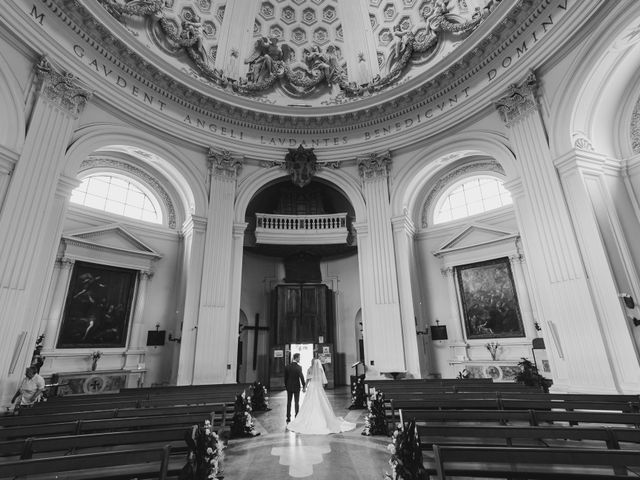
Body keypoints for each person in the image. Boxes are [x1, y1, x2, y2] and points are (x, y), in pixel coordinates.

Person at [286, 357, 356, 435]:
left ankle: (308, 418)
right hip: (318, 388)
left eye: (311, 361)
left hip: (312, 387)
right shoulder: (320, 370)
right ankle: (323, 419)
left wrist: (305, 387)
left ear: (313, 363)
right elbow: (323, 381)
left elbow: (308, 379)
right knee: (321, 402)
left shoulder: (310, 369)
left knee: (310, 402)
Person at [284, 353, 306, 423]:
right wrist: (304, 386)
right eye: (299, 358)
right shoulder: (299, 367)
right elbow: (301, 377)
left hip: (289, 387)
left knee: (289, 402)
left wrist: (286, 386)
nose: (299, 359)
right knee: (296, 402)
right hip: (296, 387)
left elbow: (285, 378)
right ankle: (296, 416)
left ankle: (288, 417)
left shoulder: (287, 366)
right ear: (296, 358)